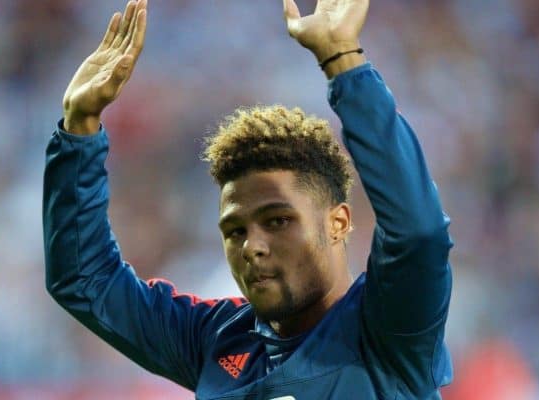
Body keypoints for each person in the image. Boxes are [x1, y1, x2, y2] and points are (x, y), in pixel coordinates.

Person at [43, 0, 454, 398]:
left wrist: (344, 60)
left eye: (277, 221)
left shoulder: (389, 327)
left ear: (339, 222)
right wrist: (78, 129)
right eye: (235, 230)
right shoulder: (215, 340)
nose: (252, 247)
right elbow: (84, 280)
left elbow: (419, 234)